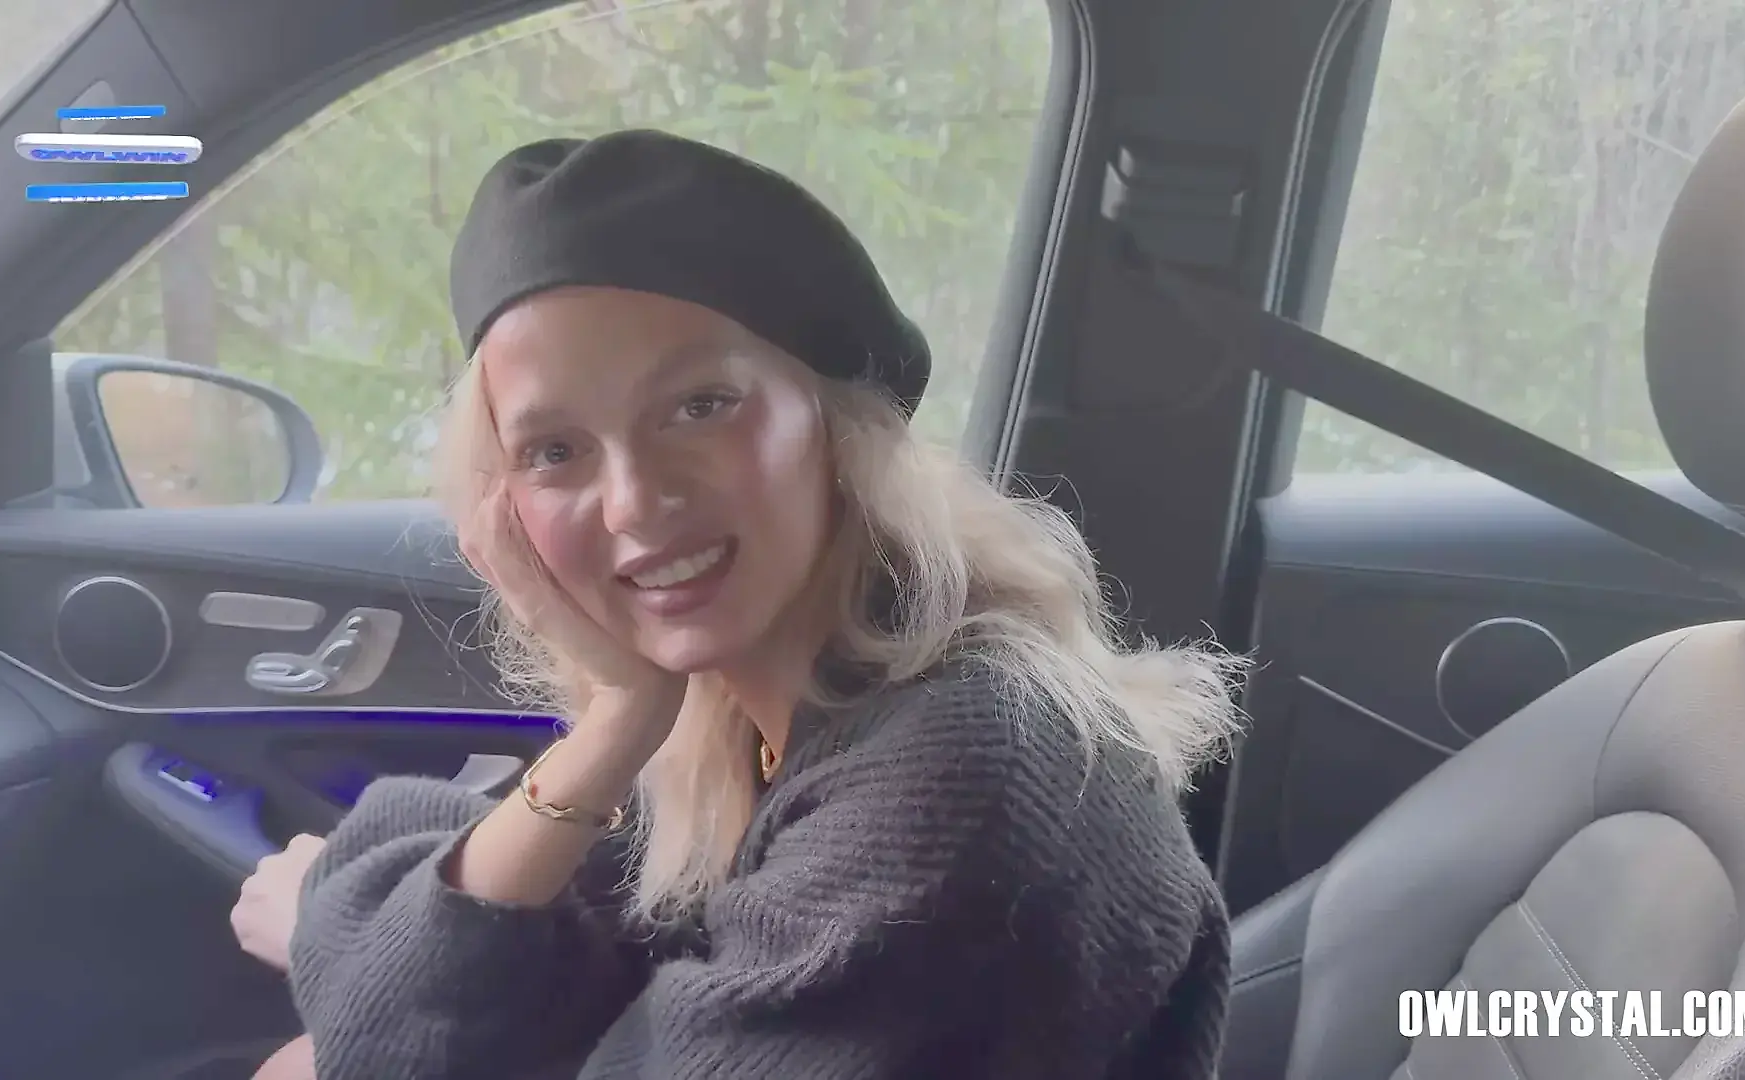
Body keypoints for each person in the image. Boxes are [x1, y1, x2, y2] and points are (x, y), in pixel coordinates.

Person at [231, 128, 1246, 1080]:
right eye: (554, 450)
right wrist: (620, 720)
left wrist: (329, 933)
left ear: (837, 425)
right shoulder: (770, 715)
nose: (634, 501)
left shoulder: (963, 774)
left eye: (699, 406)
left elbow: (389, 1042)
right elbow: (414, 1024)